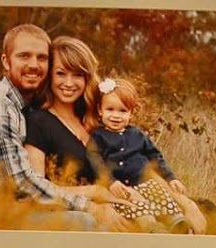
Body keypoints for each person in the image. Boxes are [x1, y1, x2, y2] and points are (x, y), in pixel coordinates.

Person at [0, 24, 124, 230]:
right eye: (24, 56)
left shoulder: (26, 105)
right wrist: (91, 204)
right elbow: (22, 184)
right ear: (6, 61)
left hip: (7, 211)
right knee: (82, 221)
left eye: (41, 58)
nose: (33, 65)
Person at [24, 36, 176, 234]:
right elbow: (35, 190)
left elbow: (140, 162)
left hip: (128, 200)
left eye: (77, 75)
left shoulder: (99, 116)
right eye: (61, 74)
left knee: (202, 208)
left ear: (87, 77)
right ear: (49, 76)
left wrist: (182, 201)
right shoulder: (38, 121)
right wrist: (97, 195)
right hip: (84, 212)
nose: (68, 83)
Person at [86, 76, 203, 233]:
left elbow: (155, 157)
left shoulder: (137, 134)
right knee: (137, 208)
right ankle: (152, 228)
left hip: (146, 183)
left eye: (122, 111)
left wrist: (171, 178)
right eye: (110, 109)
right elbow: (95, 162)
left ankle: (177, 224)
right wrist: (111, 182)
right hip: (121, 189)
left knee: (163, 199)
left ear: (131, 113)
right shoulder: (98, 137)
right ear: (100, 110)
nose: (116, 116)